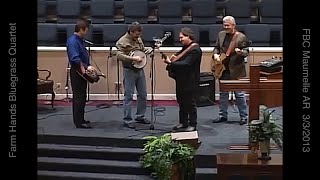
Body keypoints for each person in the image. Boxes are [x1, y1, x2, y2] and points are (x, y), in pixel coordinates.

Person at [211, 16, 250, 125]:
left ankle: (243, 116)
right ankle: (222, 115)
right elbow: (217, 47)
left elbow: (246, 51)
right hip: (223, 69)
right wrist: (215, 55)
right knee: (223, 94)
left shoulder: (241, 37)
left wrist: (240, 52)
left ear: (233, 25)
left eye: (228, 25)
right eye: (224, 25)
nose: (226, 27)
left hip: (236, 70)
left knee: (239, 94)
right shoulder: (221, 34)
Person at [163, 27, 202, 132]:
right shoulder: (185, 47)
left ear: (188, 36)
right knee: (181, 101)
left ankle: (192, 124)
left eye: (182, 37)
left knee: (190, 102)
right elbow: (180, 58)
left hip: (190, 80)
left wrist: (170, 63)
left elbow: (187, 64)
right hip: (181, 79)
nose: (180, 39)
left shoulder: (195, 49)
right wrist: (174, 57)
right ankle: (183, 122)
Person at [115, 22, 152, 129]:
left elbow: (141, 50)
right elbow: (119, 55)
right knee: (129, 95)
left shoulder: (138, 39)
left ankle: (140, 116)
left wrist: (148, 50)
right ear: (131, 32)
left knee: (143, 94)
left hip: (139, 69)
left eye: (139, 35)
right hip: (129, 70)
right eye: (136, 34)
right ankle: (127, 119)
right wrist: (133, 59)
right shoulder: (122, 41)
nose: (138, 37)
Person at [66, 19, 92, 128]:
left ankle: (81, 119)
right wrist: (86, 67)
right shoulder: (73, 41)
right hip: (77, 72)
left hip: (82, 72)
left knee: (82, 96)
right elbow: (75, 58)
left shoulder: (80, 40)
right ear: (81, 29)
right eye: (86, 30)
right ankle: (78, 122)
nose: (87, 32)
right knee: (78, 97)